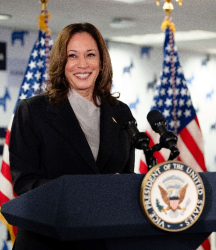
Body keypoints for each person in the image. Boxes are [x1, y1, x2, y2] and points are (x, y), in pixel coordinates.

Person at [9, 23, 135, 250]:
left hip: (104, 240)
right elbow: (25, 182)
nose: (83, 64)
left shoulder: (120, 111)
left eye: (90, 55)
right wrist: (85, 191)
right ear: (61, 62)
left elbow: (126, 175)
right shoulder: (33, 110)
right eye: (72, 56)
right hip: (47, 241)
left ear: (102, 61)